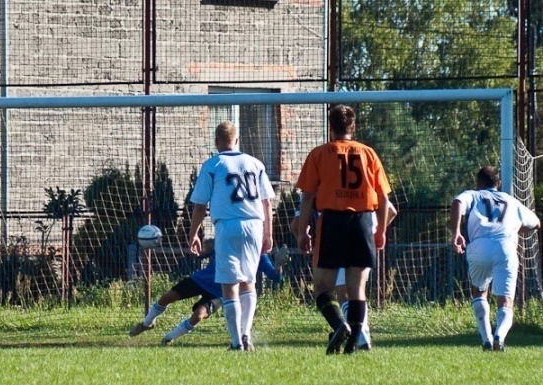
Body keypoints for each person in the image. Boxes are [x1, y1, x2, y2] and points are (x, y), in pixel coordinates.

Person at [295, 104, 392, 354]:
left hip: (332, 222)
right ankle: (352, 342)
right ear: (353, 126)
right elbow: (384, 199)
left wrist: (302, 232)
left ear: (331, 127)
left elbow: (307, 198)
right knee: (356, 288)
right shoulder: (368, 153)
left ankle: (340, 326)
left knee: (322, 287)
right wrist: (380, 230)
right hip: (362, 222)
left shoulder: (319, 154)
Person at [187, 121, 275, 351]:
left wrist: (193, 233)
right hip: (255, 225)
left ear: (216, 142)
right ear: (237, 140)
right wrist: (269, 234)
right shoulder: (255, 164)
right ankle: (246, 335)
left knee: (229, 285)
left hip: (227, 226)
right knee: (249, 282)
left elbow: (199, 206)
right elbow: (267, 202)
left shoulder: (213, 164)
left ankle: (236, 342)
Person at [290, 190, 398, 351]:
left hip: (338, 231)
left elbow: (297, 223)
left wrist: (302, 235)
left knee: (342, 292)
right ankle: (360, 334)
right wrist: (376, 232)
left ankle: (358, 337)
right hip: (364, 231)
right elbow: (390, 210)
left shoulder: (321, 178)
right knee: (356, 291)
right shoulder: (364, 172)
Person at [128, 241, 288, 346]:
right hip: (200, 279)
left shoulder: (259, 254)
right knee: (167, 297)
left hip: (220, 292)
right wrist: (202, 247)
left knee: (198, 316)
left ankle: (168, 338)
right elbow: (204, 250)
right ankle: (147, 323)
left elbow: (275, 277)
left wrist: (279, 265)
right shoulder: (227, 240)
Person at [450, 166, 540, 351]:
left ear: (479, 182)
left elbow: (458, 202)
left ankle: (486, 340)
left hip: (479, 246)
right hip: (505, 248)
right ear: (498, 183)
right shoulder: (511, 201)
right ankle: (500, 335)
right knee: (505, 300)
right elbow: (536, 223)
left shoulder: (474, 195)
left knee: (479, 291)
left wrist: (456, 232)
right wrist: (514, 228)